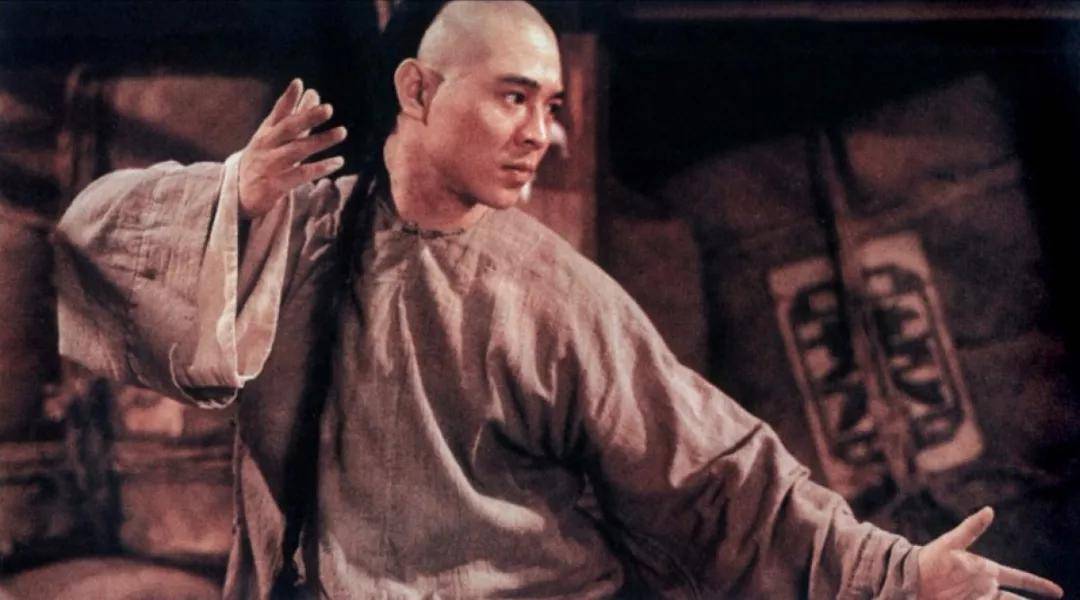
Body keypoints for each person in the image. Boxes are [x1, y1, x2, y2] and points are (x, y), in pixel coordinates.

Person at [53, 1, 1064, 598]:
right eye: (512, 96)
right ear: (417, 91)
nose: (542, 132)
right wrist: (235, 191)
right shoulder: (299, 235)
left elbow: (715, 476)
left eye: (551, 104)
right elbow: (95, 242)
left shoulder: (555, 295)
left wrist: (895, 576)